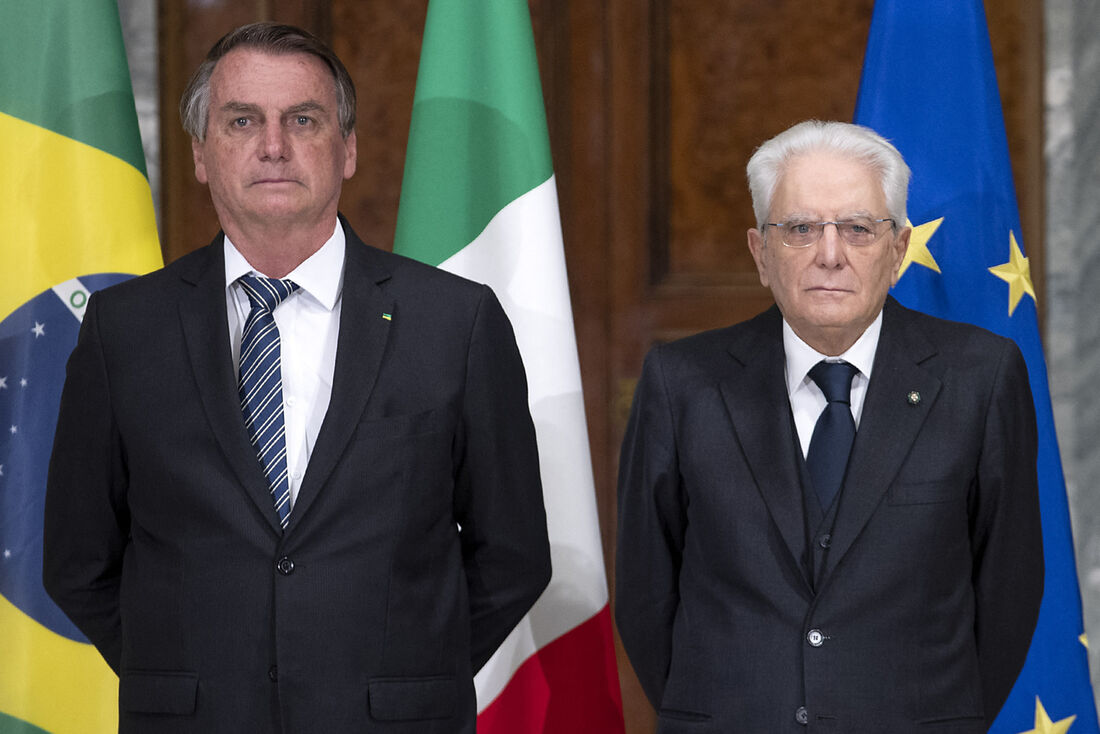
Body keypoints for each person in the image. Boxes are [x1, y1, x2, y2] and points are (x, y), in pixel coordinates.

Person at [43, 22, 550, 733]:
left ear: (346, 149)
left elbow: (514, 554)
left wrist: (404, 670)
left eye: (302, 120)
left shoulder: (454, 323)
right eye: (242, 120)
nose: (273, 146)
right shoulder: (124, 330)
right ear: (200, 152)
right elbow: (77, 559)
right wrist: (188, 674)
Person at [615, 120, 1043, 732]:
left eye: (858, 229)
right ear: (761, 253)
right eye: (799, 229)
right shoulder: (682, 383)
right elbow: (644, 593)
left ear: (897, 252)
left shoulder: (981, 377)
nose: (830, 254)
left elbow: (1009, 589)